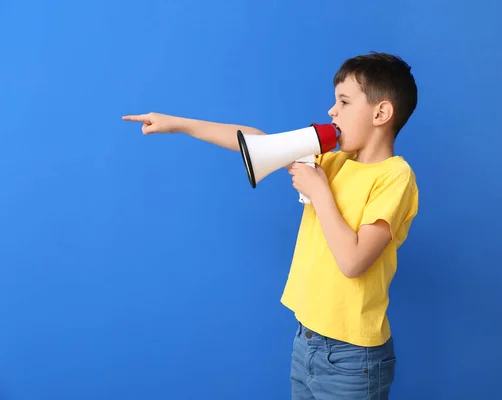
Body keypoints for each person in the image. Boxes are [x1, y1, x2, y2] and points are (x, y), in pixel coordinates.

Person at [123, 51, 419, 399]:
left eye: (343, 101)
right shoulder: (333, 161)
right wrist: (180, 124)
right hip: (306, 340)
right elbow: (258, 143)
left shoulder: (395, 177)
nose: (331, 111)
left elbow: (353, 262)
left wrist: (319, 192)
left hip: (353, 357)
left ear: (381, 113)